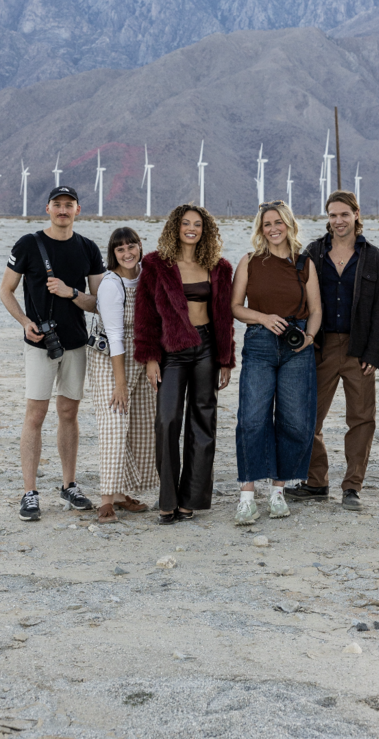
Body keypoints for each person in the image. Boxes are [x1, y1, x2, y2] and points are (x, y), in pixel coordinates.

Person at [0, 185, 105, 522]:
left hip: (75, 342)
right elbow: (6, 290)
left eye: (68, 205)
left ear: (78, 210)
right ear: (47, 209)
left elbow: (98, 302)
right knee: (35, 415)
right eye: (57, 204)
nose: (62, 210)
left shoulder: (88, 248)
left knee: (69, 413)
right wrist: (24, 321)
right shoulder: (28, 245)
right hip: (39, 344)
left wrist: (71, 292)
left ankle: (69, 484)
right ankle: (29, 493)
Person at [285, 190, 379, 512]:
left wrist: (374, 352)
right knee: (307, 417)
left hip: (359, 349)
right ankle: (317, 481)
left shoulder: (372, 256)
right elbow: (300, 297)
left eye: (344, 214)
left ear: (357, 214)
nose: (338, 221)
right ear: (327, 218)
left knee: (361, 419)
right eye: (332, 215)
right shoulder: (314, 252)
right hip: (321, 346)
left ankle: (352, 486)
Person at [135, 204, 234, 524]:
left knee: (203, 424)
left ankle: (191, 499)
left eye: (198, 225)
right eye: (186, 223)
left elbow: (223, 317)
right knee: (166, 421)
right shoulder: (154, 265)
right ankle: (167, 499)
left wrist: (226, 359)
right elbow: (145, 317)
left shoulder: (218, 266)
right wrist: (150, 358)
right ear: (175, 227)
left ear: (206, 231)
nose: (192, 228)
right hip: (171, 352)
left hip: (206, 349)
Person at [231, 200, 323, 525]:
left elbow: (316, 309)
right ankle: (246, 497)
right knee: (252, 418)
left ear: (289, 224)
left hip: (296, 345)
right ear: (261, 228)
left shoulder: (305, 263)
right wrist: (263, 318)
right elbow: (235, 307)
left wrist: (309, 337)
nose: (273, 228)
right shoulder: (249, 262)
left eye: (278, 222)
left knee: (294, 421)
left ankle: (278, 492)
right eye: (267, 223)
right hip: (259, 342)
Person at [88, 227, 157, 523]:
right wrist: (120, 384)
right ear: (113, 254)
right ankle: (106, 500)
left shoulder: (148, 277)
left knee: (141, 424)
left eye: (132, 246)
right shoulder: (110, 283)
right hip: (110, 357)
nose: (127, 253)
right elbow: (115, 335)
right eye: (120, 249)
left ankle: (121, 492)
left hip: (141, 354)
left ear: (140, 247)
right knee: (114, 422)